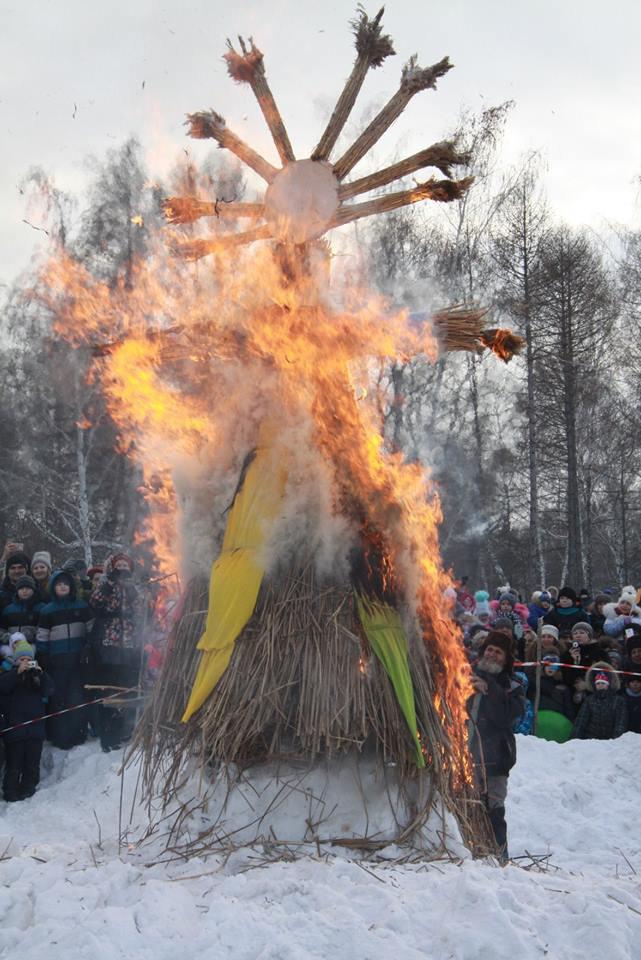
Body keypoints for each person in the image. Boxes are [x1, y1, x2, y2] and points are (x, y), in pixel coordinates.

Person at [467, 630, 526, 862]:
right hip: (466, 754)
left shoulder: (513, 686)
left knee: (493, 808)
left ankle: (499, 857)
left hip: (496, 758)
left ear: (506, 658)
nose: (492, 654)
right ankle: (469, 852)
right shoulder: (464, 675)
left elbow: (503, 718)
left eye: (498, 652)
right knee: (466, 804)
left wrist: (489, 688)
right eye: (489, 649)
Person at [89, 553, 144, 752]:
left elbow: (142, 611)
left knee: (126, 688)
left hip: (130, 644)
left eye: (124, 565)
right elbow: (94, 603)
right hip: (109, 643)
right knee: (108, 688)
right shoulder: (106, 584)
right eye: (118, 565)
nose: (121, 568)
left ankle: (124, 730)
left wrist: (130, 590)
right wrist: (109, 582)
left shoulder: (135, 587)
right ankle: (107, 733)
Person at [36, 569, 94, 749]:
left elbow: (91, 629)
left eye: (66, 584)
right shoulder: (47, 610)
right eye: (59, 584)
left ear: (71, 587)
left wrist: (88, 648)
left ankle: (78, 734)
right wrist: (44, 657)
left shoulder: (81, 606)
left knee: (77, 697)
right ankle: (61, 737)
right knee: (58, 699)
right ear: (53, 587)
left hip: (78, 660)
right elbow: (42, 637)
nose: (62, 586)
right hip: (57, 662)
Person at [0, 637, 54, 801]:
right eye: (22, 659)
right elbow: (3, 687)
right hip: (15, 730)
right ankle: (10, 793)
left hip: (35, 730)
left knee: (32, 765)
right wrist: (17, 673)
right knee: (14, 765)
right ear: (16, 661)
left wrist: (41, 674)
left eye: (29, 660)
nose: (26, 663)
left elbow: (50, 690)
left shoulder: (37, 677)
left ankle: (28, 791)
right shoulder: (9, 675)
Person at [572, 662, 627, 740]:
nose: (600, 685)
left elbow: (620, 724)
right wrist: (575, 739)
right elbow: (581, 721)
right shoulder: (589, 700)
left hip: (610, 742)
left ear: (609, 684)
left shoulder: (618, 701)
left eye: (603, 683)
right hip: (591, 740)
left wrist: (616, 742)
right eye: (598, 683)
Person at [530, 653, 574, 743]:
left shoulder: (563, 687)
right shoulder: (535, 683)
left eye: (554, 666)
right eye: (547, 666)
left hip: (558, 726)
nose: (550, 668)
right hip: (538, 724)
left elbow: (568, 708)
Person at [0, 575, 44, 646]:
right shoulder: (8, 610)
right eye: (21, 588)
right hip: (11, 645)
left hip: (32, 645)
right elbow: (2, 629)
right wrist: (9, 638)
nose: (24, 591)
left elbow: (42, 630)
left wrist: (26, 637)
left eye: (27, 588)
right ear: (17, 591)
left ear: (33, 589)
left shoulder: (41, 608)